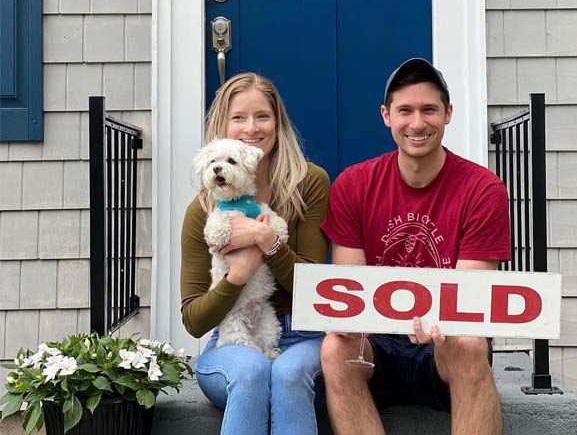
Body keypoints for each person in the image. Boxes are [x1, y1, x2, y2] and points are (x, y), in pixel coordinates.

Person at [320, 58, 510, 435]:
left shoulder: (482, 189)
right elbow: (352, 289)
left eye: (429, 110)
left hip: (442, 346)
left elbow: (466, 300)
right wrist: (350, 325)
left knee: (469, 344)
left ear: (448, 113)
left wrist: (436, 320)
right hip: (377, 346)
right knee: (335, 348)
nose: (417, 123)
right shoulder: (353, 185)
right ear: (386, 115)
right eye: (405, 110)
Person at [180, 72, 330, 435]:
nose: (251, 128)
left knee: (288, 372)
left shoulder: (309, 183)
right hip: (231, 341)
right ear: (223, 126)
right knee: (251, 370)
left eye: (262, 116)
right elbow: (194, 320)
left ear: (277, 123)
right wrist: (236, 277)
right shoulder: (202, 210)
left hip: (303, 335)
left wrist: (267, 240)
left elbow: (313, 288)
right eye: (239, 118)